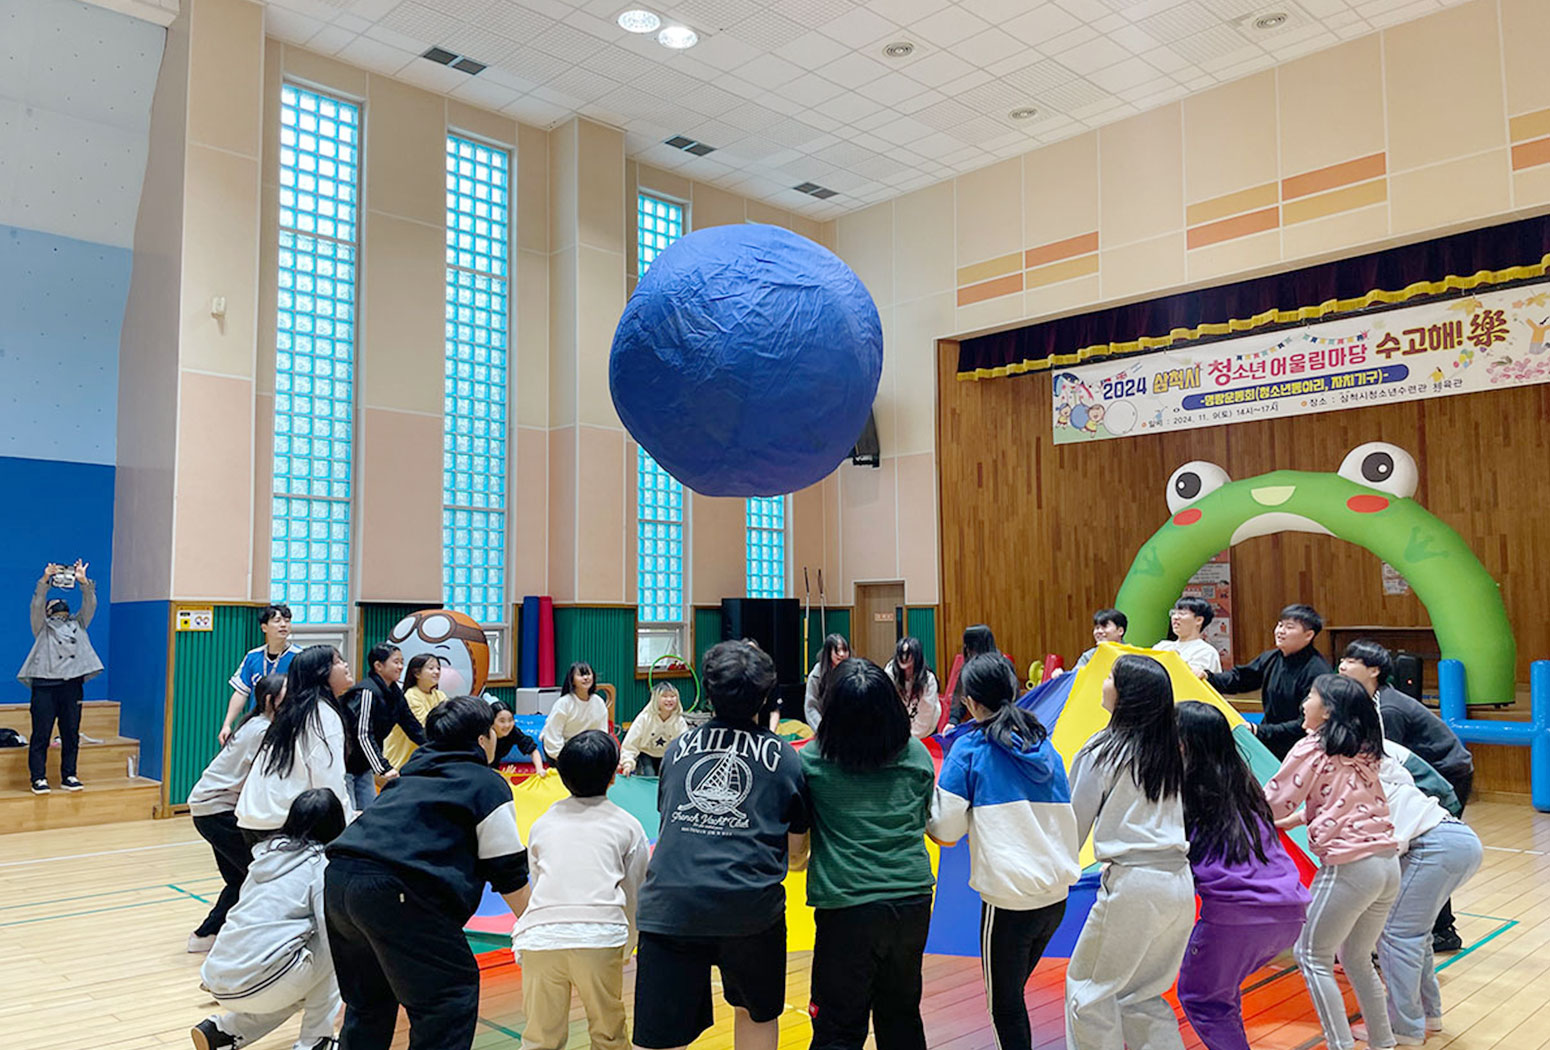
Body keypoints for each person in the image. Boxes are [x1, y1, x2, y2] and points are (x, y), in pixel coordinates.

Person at [325, 695, 531, 1049]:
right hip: (398, 892)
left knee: (369, 1004)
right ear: (483, 740)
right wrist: (537, 923)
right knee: (448, 999)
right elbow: (508, 870)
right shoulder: (486, 784)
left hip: (339, 881)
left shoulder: (407, 776)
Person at [632, 641, 810, 1050]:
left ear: (708, 694)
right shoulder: (784, 757)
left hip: (671, 903)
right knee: (756, 1013)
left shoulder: (678, 749)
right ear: (765, 696)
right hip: (749, 906)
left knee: (657, 1036)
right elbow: (797, 851)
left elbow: (670, 819)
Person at [927, 654, 1080, 1050]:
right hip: (1056, 897)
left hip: (1010, 902)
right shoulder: (1044, 745)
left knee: (1005, 1005)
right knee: (1013, 994)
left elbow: (946, 830)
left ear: (973, 703)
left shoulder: (970, 748)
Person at [801, 658, 937, 1050]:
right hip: (910, 902)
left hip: (848, 906)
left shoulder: (812, 762)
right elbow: (925, 815)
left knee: (838, 1028)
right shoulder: (916, 756)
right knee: (902, 1018)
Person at [1265, 673, 1401, 1050]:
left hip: (1350, 864)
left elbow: (1276, 799)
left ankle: (1340, 1043)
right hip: (1387, 864)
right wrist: (1299, 818)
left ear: (1327, 711)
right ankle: (1383, 1042)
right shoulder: (1364, 750)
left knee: (1310, 954)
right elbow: (1347, 800)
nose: (1303, 703)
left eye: (1310, 696)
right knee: (1356, 956)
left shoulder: (1312, 747)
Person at [1065, 653, 1191, 1050]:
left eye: (1110, 678)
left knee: (1089, 994)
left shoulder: (1103, 749)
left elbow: (1074, 824)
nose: (1104, 683)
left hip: (1133, 885)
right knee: (1143, 997)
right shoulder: (1172, 751)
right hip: (1178, 885)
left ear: (1126, 695)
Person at [1174, 701, 1309, 1050]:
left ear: (1183, 744)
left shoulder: (1189, 791)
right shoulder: (1243, 785)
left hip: (1239, 915)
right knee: (1221, 992)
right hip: (1289, 910)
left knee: (1203, 998)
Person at [513, 730, 649, 1050]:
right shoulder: (628, 825)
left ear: (562, 776)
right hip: (600, 937)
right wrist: (629, 943)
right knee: (608, 1034)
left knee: (539, 1039)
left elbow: (539, 882)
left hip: (539, 938)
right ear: (614, 776)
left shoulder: (543, 823)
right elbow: (635, 893)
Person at [1339, 639, 1475, 952]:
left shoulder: (1388, 708)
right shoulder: (1370, 700)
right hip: (1427, 774)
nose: (1343, 666)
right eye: (1343, 660)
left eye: (1351, 661)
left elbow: (1385, 762)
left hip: (1444, 776)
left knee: (1426, 847)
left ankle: (1441, 930)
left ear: (1373, 670)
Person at [192, 789, 346, 1050]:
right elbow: (332, 932)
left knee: (299, 981)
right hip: (260, 981)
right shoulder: (321, 866)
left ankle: (224, 1032)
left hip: (219, 976)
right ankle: (316, 1042)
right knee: (335, 947)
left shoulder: (266, 856)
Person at [1372, 744, 1482, 1046]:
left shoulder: (1348, 762)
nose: (1305, 705)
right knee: (1413, 936)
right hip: (1456, 837)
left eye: (1312, 696)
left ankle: (1404, 1029)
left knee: (1397, 935)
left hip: (1435, 845)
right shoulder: (1380, 755)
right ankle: (1428, 1017)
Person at [186, 673, 286, 954]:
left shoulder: (256, 723)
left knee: (240, 878)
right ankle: (254, 941)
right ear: (270, 700)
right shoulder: (262, 730)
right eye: (287, 692)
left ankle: (206, 935)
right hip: (217, 809)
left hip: (210, 808)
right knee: (260, 874)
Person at [236, 646, 353, 841]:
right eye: (338, 661)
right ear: (321, 673)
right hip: (279, 822)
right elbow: (328, 781)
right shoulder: (322, 715)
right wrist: (346, 827)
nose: (345, 665)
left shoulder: (294, 710)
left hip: (255, 817)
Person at [1203, 604, 1332, 759]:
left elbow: (1305, 723)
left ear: (1308, 635)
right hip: (1269, 739)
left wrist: (1259, 730)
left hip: (1301, 748)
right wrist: (1208, 677)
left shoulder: (1318, 671)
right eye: (1280, 625)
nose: (1280, 631)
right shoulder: (1272, 657)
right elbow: (1241, 678)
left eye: (1289, 627)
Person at [19, 560, 103, 794]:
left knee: (70, 733)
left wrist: (83, 582)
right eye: (56, 609)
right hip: (45, 684)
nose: (61, 612)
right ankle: (38, 778)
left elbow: (90, 604)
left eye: (64, 609)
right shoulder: (42, 628)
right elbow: (36, 605)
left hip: (72, 685)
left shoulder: (79, 625)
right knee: (41, 733)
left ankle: (69, 775)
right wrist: (45, 580)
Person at [341, 643, 426, 811]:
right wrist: (383, 768)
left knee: (368, 814)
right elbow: (362, 734)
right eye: (396, 662)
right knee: (347, 818)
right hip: (345, 767)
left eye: (402, 662)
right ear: (378, 666)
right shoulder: (366, 692)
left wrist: (436, 748)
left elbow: (412, 726)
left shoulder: (395, 692)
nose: (401, 667)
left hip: (364, 767)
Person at [219, 604, 300, 745]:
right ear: (264, 627)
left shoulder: (299, 657)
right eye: (277, 621)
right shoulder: (253, 656)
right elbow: (241, 692)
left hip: (287, 725)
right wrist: (227, 724)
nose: (283, 625)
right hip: (256, 724)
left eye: (287, 621)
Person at [382, 653, 447, 770]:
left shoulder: (440, 696)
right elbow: (426, 727)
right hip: (400, 761)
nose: (437, 672)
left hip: (423, 761)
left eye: (438, 668)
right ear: (417, 673)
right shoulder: (411, 696)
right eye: (431, 668)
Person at [540, 661, 608, 763]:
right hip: (562, 752)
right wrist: (562, 757)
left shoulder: (598, 702)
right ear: (572, 680)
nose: (586, 678)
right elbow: (553, 734)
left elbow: (602, 733)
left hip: (587, 751)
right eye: (581, 675)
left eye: (588, 674)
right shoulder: (564, 703)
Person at [620, 683, 688, 776]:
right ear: (656, 699)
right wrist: (627, 763)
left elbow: (685, 746)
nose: (669, 699)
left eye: (673, 696)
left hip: (667, 756)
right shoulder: (644, 718)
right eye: (664, 696)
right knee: (649, 774)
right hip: (646, 754)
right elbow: (630, 744)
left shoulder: (679, 721)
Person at [944, 624, 1002, 728]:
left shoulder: (1001, 665)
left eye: (969, 645)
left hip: (1002, 720)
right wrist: (953, 721)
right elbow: (959, 696)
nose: (966, 649)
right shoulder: (968, 667)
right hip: (977, 722)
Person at [884, 636, 940, 740]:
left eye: (908, 653)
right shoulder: (890, 673)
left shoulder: (928, 679)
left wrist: (911, 737)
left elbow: (926, 714)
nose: (904, 657)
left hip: (925, 731)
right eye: (902, 653)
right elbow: (887, 707)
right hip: (897, 733)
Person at [1153, 597, 1222, 675]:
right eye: (1173, 613)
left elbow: (1193, 680)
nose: (1175, 617)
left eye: (1182, 614)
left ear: (1199, 620)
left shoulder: (1206, 651)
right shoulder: (1162, 646)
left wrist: (1175, 661)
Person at [803, 633, 850, 730]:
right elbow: (811, 708)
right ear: (828, 652)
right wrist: (822, 729)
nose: (842, 654)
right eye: (837, 650)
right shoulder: (816, 676)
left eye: (844, 650)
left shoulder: (853, 672)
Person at [490, 698, 546, 771]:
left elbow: (532, 750)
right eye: (502, 721)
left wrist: (540, 769)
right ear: (491, 722)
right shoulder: (483, 735)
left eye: (510, 720)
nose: (507, 725)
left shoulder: (513, 732)